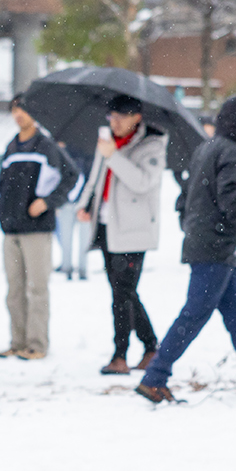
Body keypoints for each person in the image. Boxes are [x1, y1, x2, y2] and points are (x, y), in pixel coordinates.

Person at [136, 97, 236, 404]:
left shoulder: (205, 148)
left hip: (208, 244)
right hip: (216, 247)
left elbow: (183, 200)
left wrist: (193, 228)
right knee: (194, 314)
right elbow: (233, 205)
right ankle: (155, 376)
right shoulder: (234, 154)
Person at [72, 93, 165, 374]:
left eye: (120, 117)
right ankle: (150, 346)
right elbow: (96, 177)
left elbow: (143, 182)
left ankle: (120, 355)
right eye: (111, 117)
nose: (114, 123)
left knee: (122, 294)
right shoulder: (108, 144)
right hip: (106, 226)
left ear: (136, 118)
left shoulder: (152, 145)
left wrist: (114, 156)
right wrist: (85, 203)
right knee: (123, 292)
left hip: (133, 230)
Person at [0, 94, 78, 360]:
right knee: (14, 291)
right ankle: (17, 342)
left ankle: (36, 344)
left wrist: (47, 202)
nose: (18, 114)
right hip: (11, 230)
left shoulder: (46, 146)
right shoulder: (11, 147)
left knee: (37, 288)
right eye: (14, 110)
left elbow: (71, 176)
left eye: (23, 110)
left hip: (37, 229)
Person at [47, 107, 95, 282]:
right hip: (66, 201)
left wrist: (89, 203)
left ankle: (82, 269)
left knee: (83, 240)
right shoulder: (59, 150)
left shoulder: (87, 150)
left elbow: (91, 178)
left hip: (82, 202)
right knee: (65, 238)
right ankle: (67, 267)